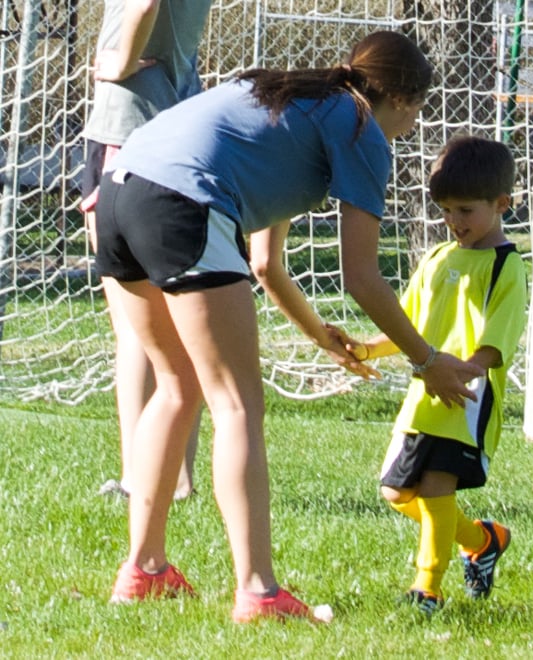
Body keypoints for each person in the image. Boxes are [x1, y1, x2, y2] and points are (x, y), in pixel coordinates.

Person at [93, 31, 484, 622]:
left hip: (118, 195)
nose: (410, 125)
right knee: (237, 405)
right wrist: (427, 362)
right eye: (417, 112)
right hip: (180, 203)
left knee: (177, 386)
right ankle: (258, 591)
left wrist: (319, 335)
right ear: (402, 100)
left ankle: (143, 572)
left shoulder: (288, 97)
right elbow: (362, 277)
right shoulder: (361, 129)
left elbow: (265, 262)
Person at [346, 135, 527, 615]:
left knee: (436, 488)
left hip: (464, 398)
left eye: (465, 211)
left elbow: (497, 341)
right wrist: (367, 348)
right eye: (446, 211)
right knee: (395, 492)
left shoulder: (507, 267)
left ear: (501, 204)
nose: (454, 222)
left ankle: (427, 588)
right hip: (424, 393)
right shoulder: (435, 258)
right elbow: (409, 327)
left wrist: (464, 373)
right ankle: (482, 540)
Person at [81, 0, 212, 500]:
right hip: (170, 121)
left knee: (135, 326)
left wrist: (119, 59)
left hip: (128, 126)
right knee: (180, 320)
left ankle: (142, 478)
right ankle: (177, 478)